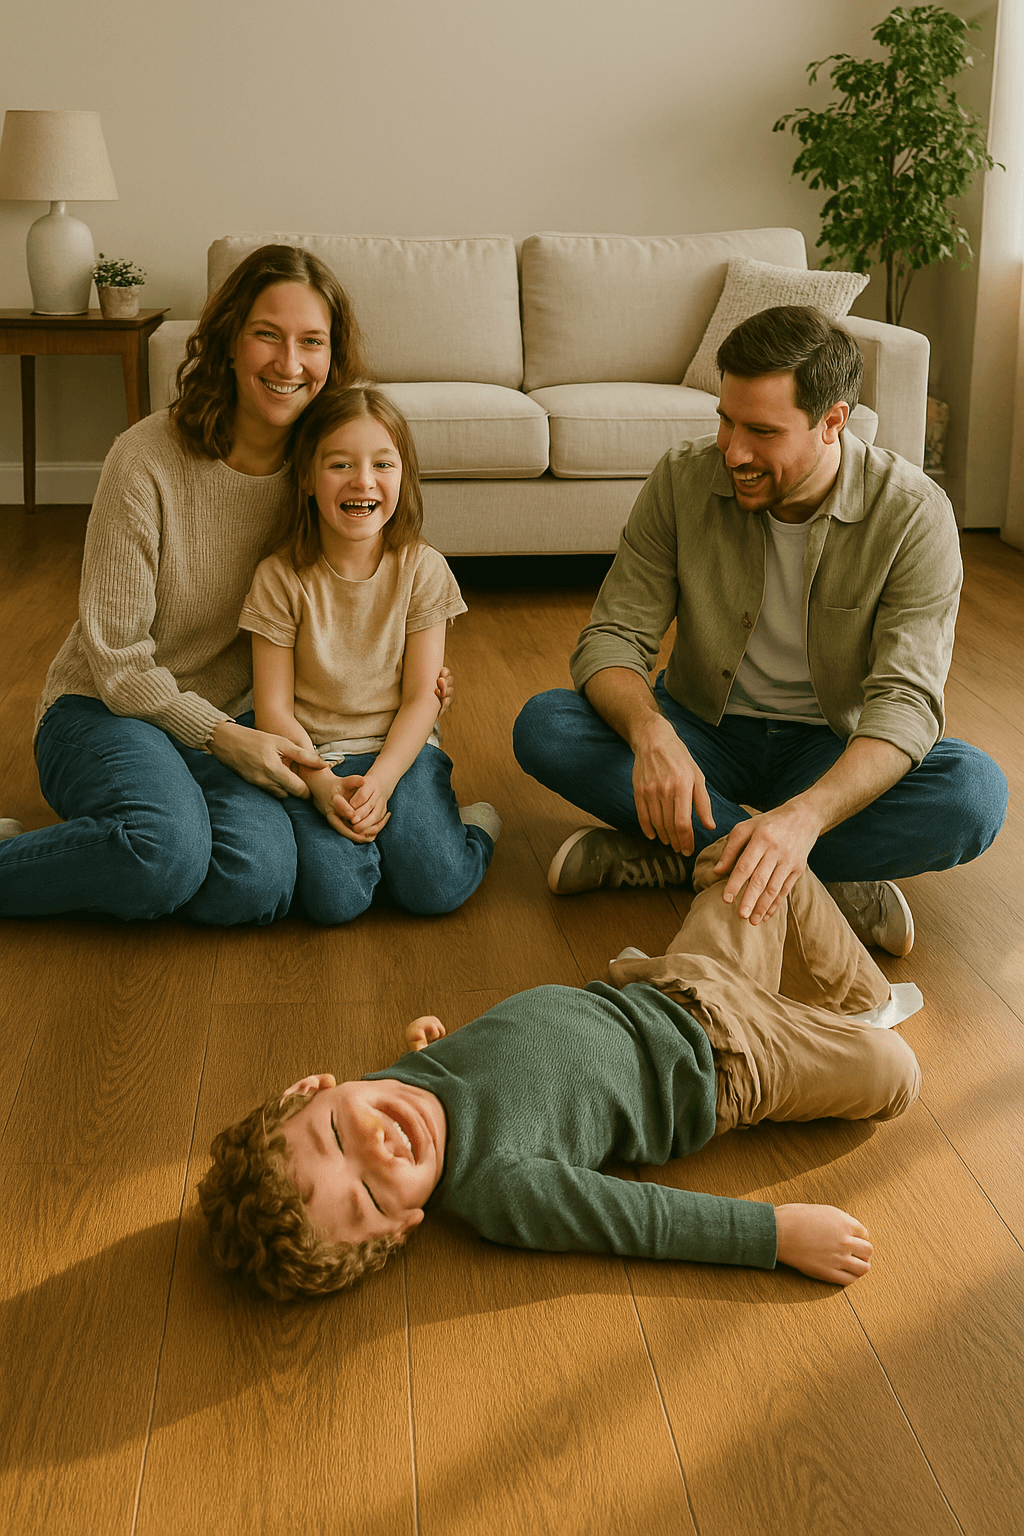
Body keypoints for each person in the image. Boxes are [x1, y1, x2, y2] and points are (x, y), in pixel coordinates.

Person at [197, 835, 923, 1300]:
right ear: (403, 1227)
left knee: (765, 852)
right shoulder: (501, 1190)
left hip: (672, 980)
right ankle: (857, 1021)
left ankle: (860, 997)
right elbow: (640, 1221)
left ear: (314, 1087)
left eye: (335, 1136)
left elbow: (460, 1074)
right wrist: (775, 1237)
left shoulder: (399, 1083)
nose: (378, 1152)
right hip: (728, 1063)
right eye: (370, 1199)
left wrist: (426, 1043)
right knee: (898, 1073)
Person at [513, 305, 1008, 956]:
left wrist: (807, 815)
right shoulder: (683, 479)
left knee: (974, 795)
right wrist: (652, 734)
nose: (733, 450)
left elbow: (905, 705)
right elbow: (613, 638)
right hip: (703, 733)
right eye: (725, 420)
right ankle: (811, 875)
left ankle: (688, 854)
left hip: (832, 747)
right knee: (546, 725)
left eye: (763, 431)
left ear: (833, 421)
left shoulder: (913, 515)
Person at [0, 244, 447, 926]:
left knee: (258, 886)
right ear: (230, 341)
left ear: (333, 358)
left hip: (241, 723)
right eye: (268, 334)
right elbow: (117, 663)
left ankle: (125, 842)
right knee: (166, 857)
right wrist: (219, 737)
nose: (289, 363)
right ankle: (107, 847)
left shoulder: (325, 470)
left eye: (312, 342)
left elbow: (370, 593)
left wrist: (417, 673)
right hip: (105, 712)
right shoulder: (146, 459)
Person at [239, 384, 499, 924]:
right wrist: (322, 786)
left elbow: (422, 699)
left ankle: (469, 829)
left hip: (401, 753)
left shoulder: (423, 570)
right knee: (336, 901)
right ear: (308, 478)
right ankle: (388, 848)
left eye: (383, 463)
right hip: (316, 757)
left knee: (437, 888)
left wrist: (380, 782)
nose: (363, 480)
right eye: (340, 464)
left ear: (404, 477)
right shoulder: (278, 578)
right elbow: (273, 712)